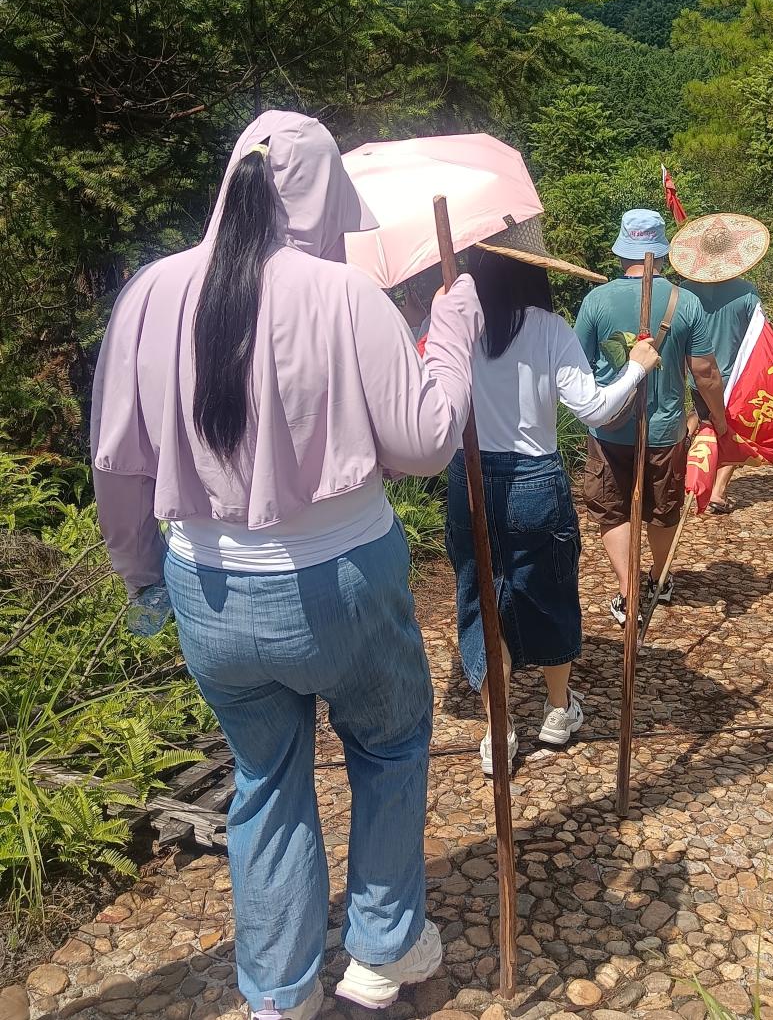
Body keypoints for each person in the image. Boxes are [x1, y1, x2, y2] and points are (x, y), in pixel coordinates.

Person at [91, 111, 483, 1020]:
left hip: (207, 588)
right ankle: (383, 950)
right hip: (343, 580)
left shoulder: (151, 291)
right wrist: (452, 333)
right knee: (389, 745)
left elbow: (118, 460)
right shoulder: (347, 295)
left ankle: (279, 990)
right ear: (322, 197)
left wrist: (140, 574)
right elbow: (424, 441)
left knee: (265, 779)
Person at [446, 217, 661, 775]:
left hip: (470, 476)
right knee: (549, 592)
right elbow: (595, 409)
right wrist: (636, 370)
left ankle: (498, 730)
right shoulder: (547, 328)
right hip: (534, 479)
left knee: (483, 599)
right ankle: (558, 709)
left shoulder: (452, 321)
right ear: (533, 271)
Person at [574, 208, 728, 626]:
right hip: (665, 428)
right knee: (662, 508)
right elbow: (705, 372)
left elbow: (577, 365)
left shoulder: (596, 301)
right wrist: (719, 419)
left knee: (612, 509)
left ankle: (629, 593)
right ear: (661, 253)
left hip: (607, 428)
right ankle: (659, 579)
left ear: (621, 249)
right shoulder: (686, 302)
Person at [671, 212, 771, 513]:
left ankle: (691, 472)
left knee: (704, 422)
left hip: (696, 374)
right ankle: (717, 490)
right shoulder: (746, 293)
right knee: (730, 430)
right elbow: (760, 335)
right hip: (735, 377)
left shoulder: (685, 290)